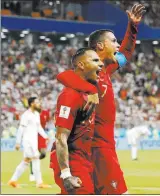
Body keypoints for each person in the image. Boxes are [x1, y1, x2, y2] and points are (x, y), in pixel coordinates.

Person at [56, 3, 145, 194]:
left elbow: (126, 52)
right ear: (100, 46)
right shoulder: (89, 72)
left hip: (103, 146)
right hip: (97, 148)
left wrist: (133, 26)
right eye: (114, 41)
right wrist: (89, 88)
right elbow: (64, 76)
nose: (117, 45)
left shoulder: (107, 68)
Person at [50, 48, 103, 194]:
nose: (101, 64)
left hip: (86, 159)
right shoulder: (70, 96)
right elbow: (61, 137)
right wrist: (66, 174)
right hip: (73, 161)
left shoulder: (89, 90)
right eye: (95, 60)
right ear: (81, 65)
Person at [8, 97, 51, 188]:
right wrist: (18, 142)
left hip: (34, 142)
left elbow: (39, 127)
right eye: (37, 102)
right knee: (33, 159)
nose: (39, 103)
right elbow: (21, 129)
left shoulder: (36, 114)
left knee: (28, 161)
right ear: (32, 104)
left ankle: (13, 180)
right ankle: (39, 183)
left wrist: (45, 136)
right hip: (27, 142)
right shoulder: (26, 115)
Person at [30, 109, 50, 182]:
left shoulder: (46, 112)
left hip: (41, 134)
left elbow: (47, 121)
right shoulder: (32, 113)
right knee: (35, 153)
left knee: (43, 153)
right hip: (34, 134)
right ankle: (32, 173)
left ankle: (33, 161)